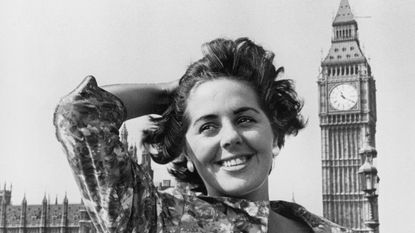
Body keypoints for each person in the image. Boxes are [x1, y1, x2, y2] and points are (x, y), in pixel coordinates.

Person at [54, 38, 350, 233]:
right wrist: (174, 93)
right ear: (186, 153)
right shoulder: (160, 222)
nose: (230, 137)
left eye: (245, 118)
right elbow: (80, 114)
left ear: (274, 134)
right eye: (208, 126)